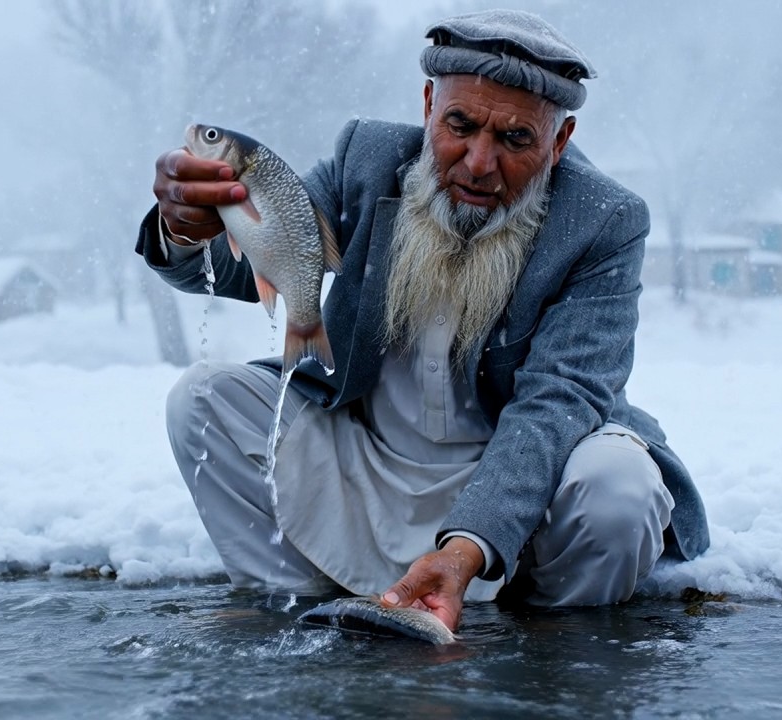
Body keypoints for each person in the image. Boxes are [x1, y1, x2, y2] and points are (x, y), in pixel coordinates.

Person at [134, 9, 708, 631]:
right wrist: (184, 225)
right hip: (366, 459)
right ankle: (301, 617)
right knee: (203, 399)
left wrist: (466, 547)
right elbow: (259, 262)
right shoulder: (367, 157)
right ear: (430, 103)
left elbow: (559, 400)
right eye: (460, 125)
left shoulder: (606, 220)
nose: (480, 162)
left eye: (516, 140)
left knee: (621, 489)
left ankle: (548, 643)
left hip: (523, 475)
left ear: (560, 141)